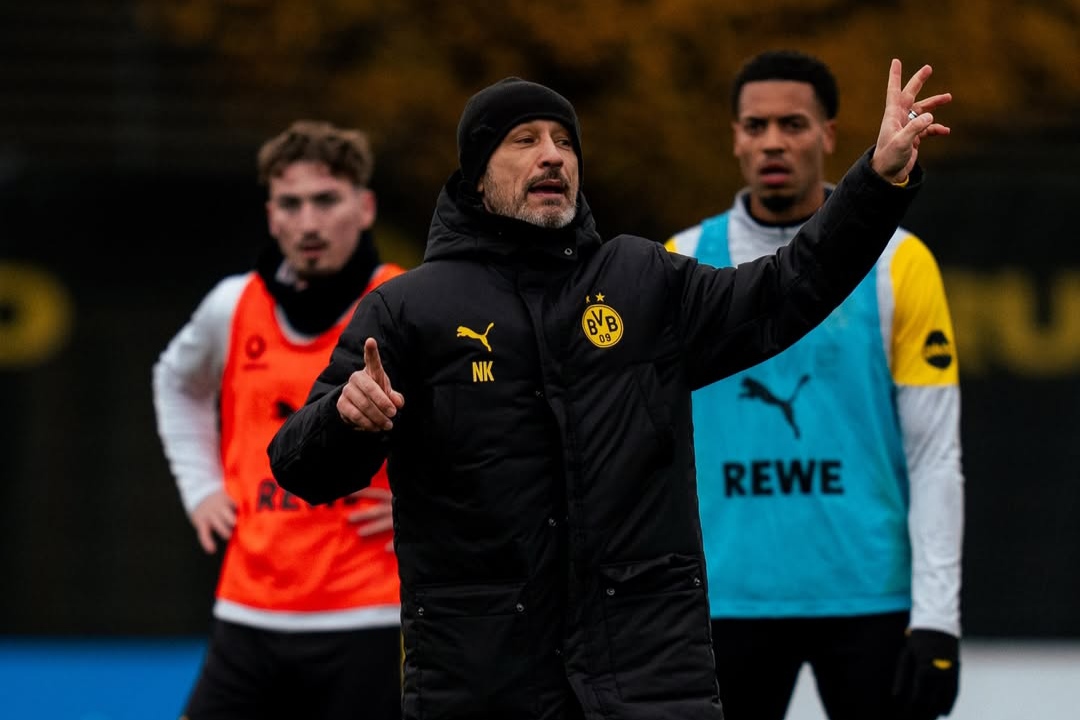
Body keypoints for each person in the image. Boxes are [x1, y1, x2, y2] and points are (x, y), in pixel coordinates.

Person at [268, 60, 951, 720]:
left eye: (565, 142)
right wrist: (345, 421)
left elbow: (786, 289)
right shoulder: (407, 310)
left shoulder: (643, 279)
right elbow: (300, 467)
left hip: (647, 676)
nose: (553, 156)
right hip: (480, 682)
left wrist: (877, 182)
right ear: (476, 175)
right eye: (525, 141)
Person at [665, 50, 963, 720]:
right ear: (735, 137)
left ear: (829, 134)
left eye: (793, 124)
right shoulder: (677, 261)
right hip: (720, 601)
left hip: (870, 600)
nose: (773, 141)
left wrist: (938, 618)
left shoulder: (901, 262)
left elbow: (935, 455)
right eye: (756, 125)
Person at [152, 120, 406, 720]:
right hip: (248, 608)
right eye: (291, 204)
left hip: (370, 613)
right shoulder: (233, 304)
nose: (309, 222)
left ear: (365, 208)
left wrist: (432, 504)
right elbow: (174, 382)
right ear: (271, 217)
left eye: (327, 199)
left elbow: (483, 426)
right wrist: (201, 487)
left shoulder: (404, 304)